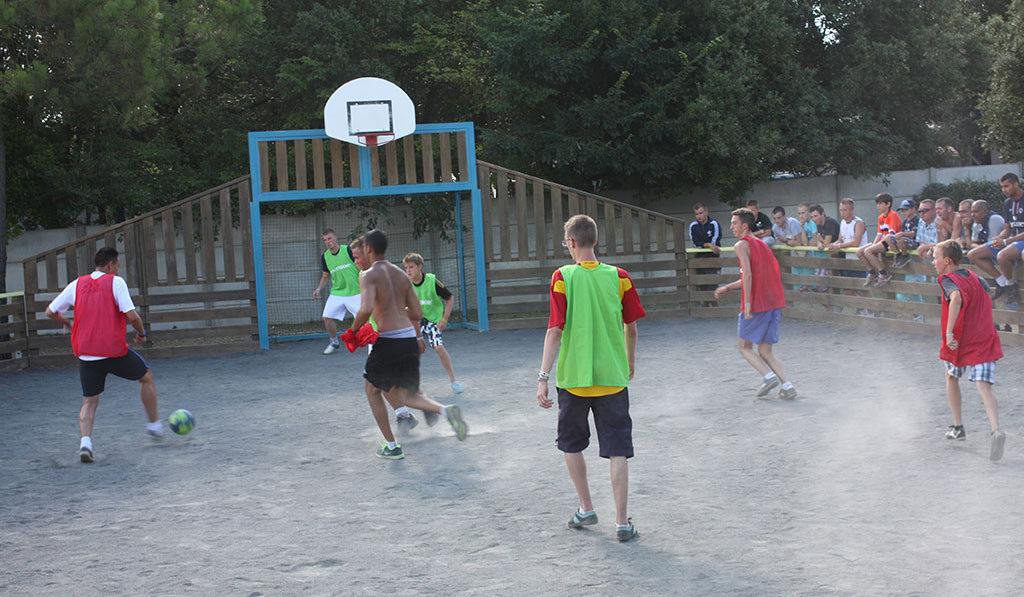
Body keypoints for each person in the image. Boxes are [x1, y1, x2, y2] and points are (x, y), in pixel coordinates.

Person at [536, 214, 645, 542]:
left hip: (573, 380)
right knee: (618, 450)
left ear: (571, 243)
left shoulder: (561, 277)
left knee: (570, 444)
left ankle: (586, 507)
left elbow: (555, 330)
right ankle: (622, 522)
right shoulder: (620, 277)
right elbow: (632, 327)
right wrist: (629, 361)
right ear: (595, 240)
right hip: (612, 377)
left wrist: (543, 376)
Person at [350, 230, 468, 459]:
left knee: (372, 389)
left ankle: (392, 446)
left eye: (363, 249)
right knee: (405, 393)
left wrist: (353, 331)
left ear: (370, 250)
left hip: (389, 339)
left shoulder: (368, 274)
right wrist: (410, 330)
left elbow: (365, 309)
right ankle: (446, 411)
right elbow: (416, 312)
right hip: (407, 338)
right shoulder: (400, 275)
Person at [44, 247, 164, 463]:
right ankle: (154, 426)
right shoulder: (116, 282)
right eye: (117, 265)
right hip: (112, 351)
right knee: (145, 377)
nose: (118, 270)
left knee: (89, 400)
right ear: (111, 265)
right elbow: (132, 315)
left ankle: (85, 444)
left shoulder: (77, 284)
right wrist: (141, 333)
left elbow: (50, 311)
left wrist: (67, 324)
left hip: (86, 353)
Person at [932, 240, 1005, 461]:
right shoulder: (977, 277)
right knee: (984, 387)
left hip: (961, 341)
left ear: (946, 261)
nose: (933, 262)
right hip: (984, 338)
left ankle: (958, 426)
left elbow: (956, 299)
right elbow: (985, 296)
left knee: (952, 377)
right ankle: (996, 429)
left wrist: (949, 333)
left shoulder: (947, 279)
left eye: (935, 257)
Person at [714, 208, 797, 400]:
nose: (731, 226)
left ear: (745, 226)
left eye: (734, 223)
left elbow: (749, 276)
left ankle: (768, 377)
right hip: (773, 303)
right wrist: (727, 288)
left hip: (757, 303)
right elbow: (752, 276)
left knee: (744, 346)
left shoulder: (741, 245)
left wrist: (748, 305)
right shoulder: (761, 244)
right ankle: (787, 384)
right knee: (765, 350)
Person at [402, 253, 463, 394]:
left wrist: (444, 319)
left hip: (431, 320)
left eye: (411, 267)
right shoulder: (405, 284)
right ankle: (411, 384)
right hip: (414, 320)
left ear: (420, 267)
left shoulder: (432, 281)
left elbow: (450, 298)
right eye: (406, 268)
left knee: (438, 348)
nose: (408, 271)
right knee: (408, 351)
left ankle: (454, 380)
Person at [968, 173, 1024, 307]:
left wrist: (1005, 242)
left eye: (1007, 186)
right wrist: (999, 238)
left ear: (1016, 184)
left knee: (1002, 256)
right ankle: (1002, 282)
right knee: (973, 255)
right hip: (1012, 241)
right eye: (1002, 187)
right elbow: (1007, 228)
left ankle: (1011, 285)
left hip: (1019, 241)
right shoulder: (1007, 203)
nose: (1004, 190)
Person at [312, 229, 361, 355]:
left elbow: (361, 266)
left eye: (329, 239)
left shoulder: (348, 250)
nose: (327, 242)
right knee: (327, 318)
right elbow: (325, 276)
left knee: (365, 321)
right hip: (338, 293)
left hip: (356, 292)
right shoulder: (325, 257)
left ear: (336, 238)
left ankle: (378, 342)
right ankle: (334, 341)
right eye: (325, 240)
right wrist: (318, 288)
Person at [828, 198, 871, 314]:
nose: (842, 212)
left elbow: (856, 242)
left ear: (852, 210)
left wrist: (839, 246)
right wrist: (834, 244)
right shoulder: (842, 223)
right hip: (849, 260)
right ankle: (862, 310)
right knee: (848, 290)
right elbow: (840, 239)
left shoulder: (859, 223)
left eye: (845, 210)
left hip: (860, 260)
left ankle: (872, 311)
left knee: (863, 289)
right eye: (841, 210)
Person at [856, 193, 903, 287]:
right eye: (877, 204)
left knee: (868, 251)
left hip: (890, 242)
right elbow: (879, 234)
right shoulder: (880, 217)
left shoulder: (893, 215)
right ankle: (872, 273)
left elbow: (891, 235)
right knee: (859, 252)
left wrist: (874, 246)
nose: (878, 206)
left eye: (881, 203)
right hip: (882, 241)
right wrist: (874, 244)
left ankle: (884, 273)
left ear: (888, 204)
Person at [689, 202, 722, 299]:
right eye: (696, 214)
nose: (699, 216)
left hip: (713, 259)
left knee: (713, 285)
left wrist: (707, 245)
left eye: (701, 213)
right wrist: (708, 245)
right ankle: (705, 307)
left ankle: (714, 308)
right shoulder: (693, 226)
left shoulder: (714, 223)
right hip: (699, 259)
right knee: (701, 286)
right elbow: (695, 243)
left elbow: (715, 242)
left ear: (706, 212)